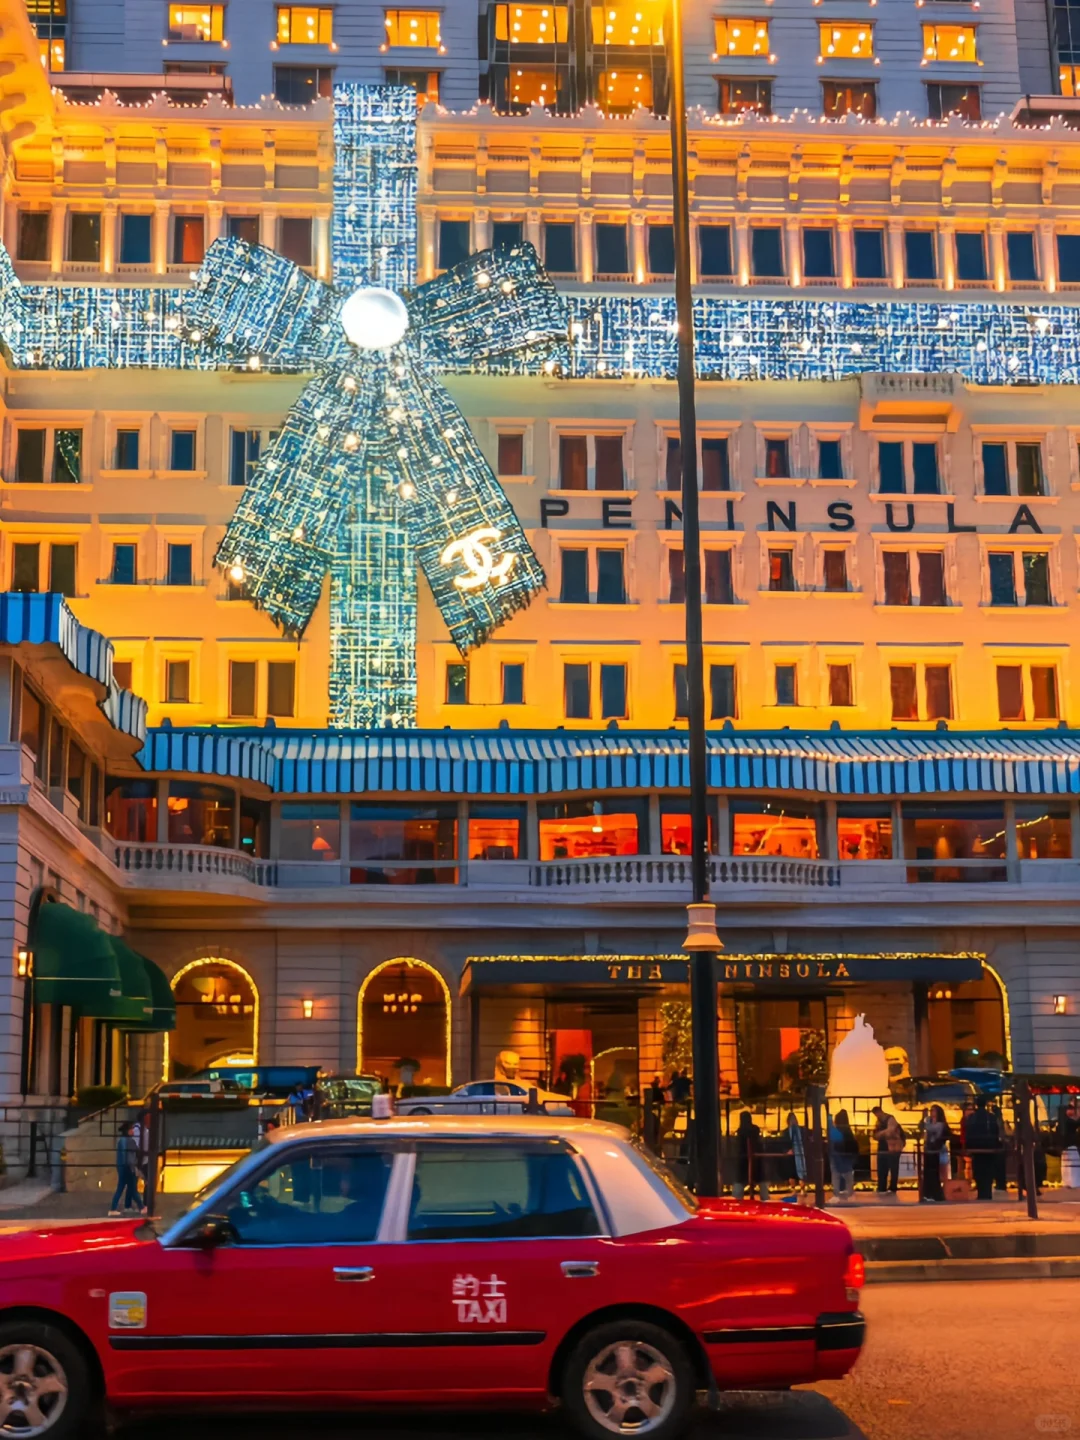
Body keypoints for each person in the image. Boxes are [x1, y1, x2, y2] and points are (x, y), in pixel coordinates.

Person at [964, 1096, 1001, 1201]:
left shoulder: (972, 1117)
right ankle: (987, 1192)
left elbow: (968, 1132)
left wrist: (968, 1146)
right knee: (988, 1170)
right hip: (989, 1146)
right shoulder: (991, 1117)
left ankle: (981, 1193)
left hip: (976, 1146)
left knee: (978, 1170)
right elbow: (996, 1131)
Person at [733, 1110, 768, 1202]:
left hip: (744, 1160)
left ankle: (737, 1203)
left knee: (739, 1186)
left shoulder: (740, 1132)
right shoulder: (755, 1130)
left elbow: (738, 1147)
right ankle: (766, 1202)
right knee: (762, 1185)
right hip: (756, 1160)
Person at [109, 1122, 142, 1216]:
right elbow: (128, 1154)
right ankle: (140, 1207)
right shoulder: (127, 1141)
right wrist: (128, 1166)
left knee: (123, 1188)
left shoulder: (123, 1140)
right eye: (131, 1129)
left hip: (123, 1167)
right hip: (126, 1167)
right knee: (127, 1188)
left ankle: (116, 1208)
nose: (133, 1131)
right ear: (127, 1131)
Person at [871, 1105, 905, 1196]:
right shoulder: (879, 1121)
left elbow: (890, 1131)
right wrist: (882, 1133)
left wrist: (881, 1133)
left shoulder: (890, 1119)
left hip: (892, 1146)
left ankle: (892, 1187)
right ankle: (882, 1187)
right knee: (882, 1166)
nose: (876, 1116)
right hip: (883, 1146)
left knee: (893, 1167)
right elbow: (875, 1135)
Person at [920, 1104, 951, 1203]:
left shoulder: (941, 1124)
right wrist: (923, 1118)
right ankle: (928, 1194)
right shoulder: (928, 1121)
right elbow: (922, 1127)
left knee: (937, 1173)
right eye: (931, 1111)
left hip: (938, 1150)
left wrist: (927, 1122)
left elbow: (933, 1129)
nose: (931, 1113)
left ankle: (938, 1194)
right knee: (928, 1173)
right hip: (929, 1150)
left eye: (933, 1111)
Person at [828, 1109, 859, 1204]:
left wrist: (828, 1118)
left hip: (837, 1154)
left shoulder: (836, 1131)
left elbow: (832, 1139)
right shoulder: (848, 1131)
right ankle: (850, 1194)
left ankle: (837, 1194)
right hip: (847, 1156)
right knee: (848, 1174)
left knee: (836, 1174)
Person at [782, 1111, 808, 1202]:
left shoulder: (802, 1130)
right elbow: (783, 1144)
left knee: (801, 1172)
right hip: (792, 1155)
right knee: (792, 1173)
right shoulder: (786, 1132)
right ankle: (795, 1190)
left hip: (800, 1153)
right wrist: (787, 1150)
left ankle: (801, 1189)